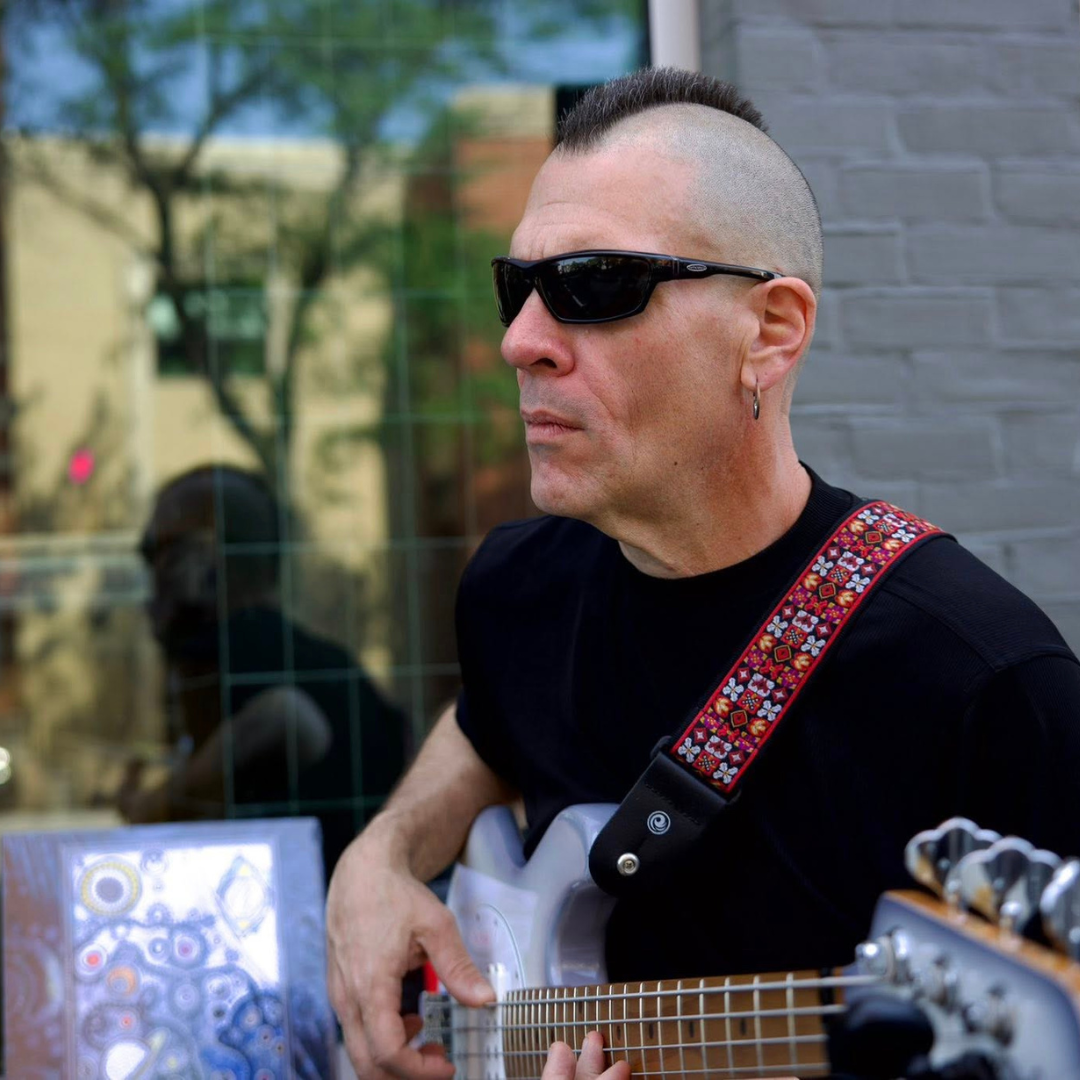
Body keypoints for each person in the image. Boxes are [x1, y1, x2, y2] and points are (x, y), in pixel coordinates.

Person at [326, 68, 1080, 1080]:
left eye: (596, 287)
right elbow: (482, 732)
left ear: (769, 331)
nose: (520, 342)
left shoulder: (990, 686)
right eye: (521, 287)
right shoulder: (517, 588)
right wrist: (381, 855)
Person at [119, 463, 409, 882]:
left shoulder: (232, 652)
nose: (150, 572)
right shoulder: (322, 660)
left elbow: (287, 719)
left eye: (156, 550)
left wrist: (159, 803)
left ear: (202, 556)